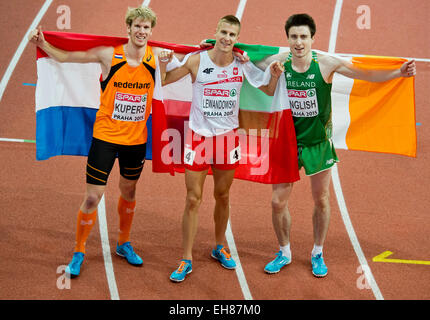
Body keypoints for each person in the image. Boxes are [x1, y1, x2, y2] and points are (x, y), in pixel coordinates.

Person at [259, 13, 416, 277]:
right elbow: (258, 76)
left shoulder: (326, 64)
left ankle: (317, 252)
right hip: (287, 143)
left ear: (312, 39)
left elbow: (363, 73)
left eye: (303, 37)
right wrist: (267, 73)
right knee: (277, 202)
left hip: (318, 143)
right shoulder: (279, 62)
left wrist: (397, 72)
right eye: (294, 37)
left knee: (321, 199)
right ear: (287, 39)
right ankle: (284, 251)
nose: (299, 42)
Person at [29, 6, 171, 278]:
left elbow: (182, 71)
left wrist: (200, 49)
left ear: (151, 31)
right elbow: (68, 57)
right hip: (105, 138)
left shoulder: (155, 58)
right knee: (93, 197)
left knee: (129, 192)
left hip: (135, 141)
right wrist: (43, 43)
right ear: (128, 28)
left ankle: (123, 243)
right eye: (137, 26)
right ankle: (79, 250)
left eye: (146, 28)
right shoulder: (110, 55)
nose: (141, 32)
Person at [160, 15, 281, 282]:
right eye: (223, 32)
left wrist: (273, 76)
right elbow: (166, 80)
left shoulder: (242, 63)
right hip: (198, 138)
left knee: (223, 196)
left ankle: (219, 246)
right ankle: (186, 259)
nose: (227, 38)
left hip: (227, 139)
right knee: (193, 199)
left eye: (232, 34)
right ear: (216, 32)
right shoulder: (196, 59)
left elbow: (269, 91)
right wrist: (163, 61)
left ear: (237, 38)